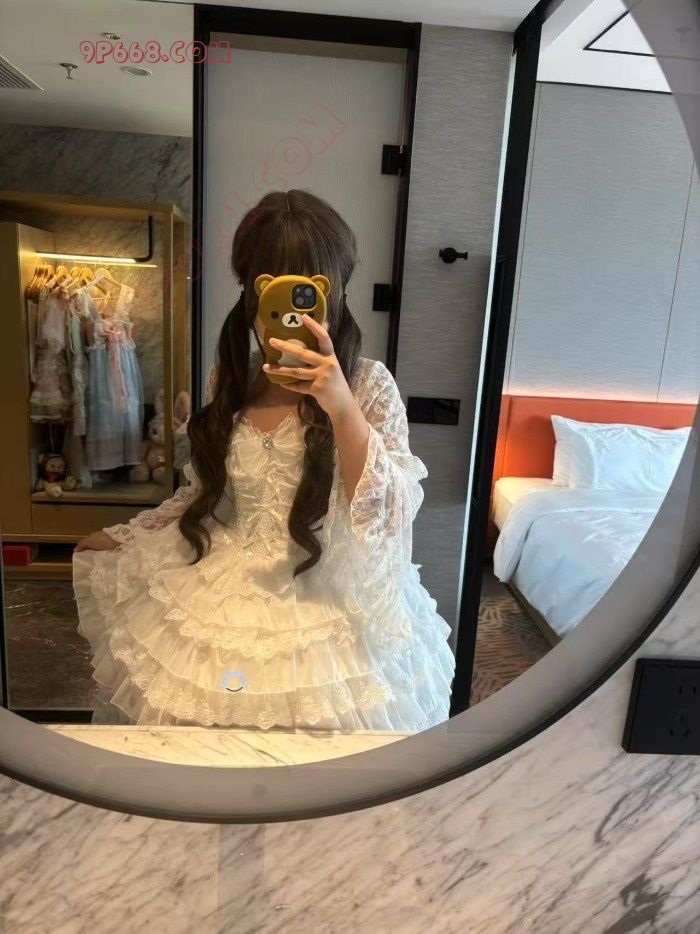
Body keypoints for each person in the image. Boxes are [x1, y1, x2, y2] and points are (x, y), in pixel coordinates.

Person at [73, 189, 455, 730]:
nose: (292, 316)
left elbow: (389, 514)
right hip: (218, 598)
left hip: (329, 610)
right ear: (253, 293)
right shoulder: (231, 379)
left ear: (332, 291)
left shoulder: (368, 384)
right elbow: (204, 492)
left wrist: (341, 406)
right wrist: (129, 536)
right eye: (274, 291)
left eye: (308, 294)